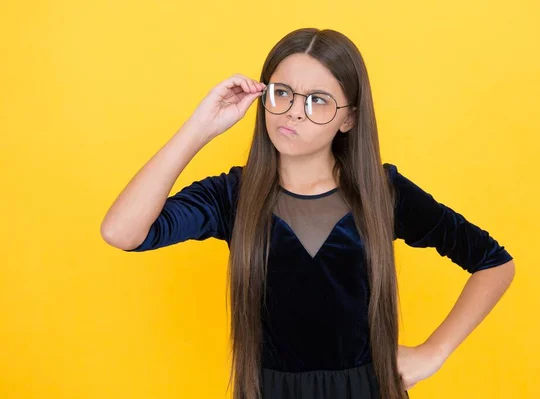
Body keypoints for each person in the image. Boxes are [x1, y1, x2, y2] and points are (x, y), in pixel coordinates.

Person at [101, 28, 514, 399]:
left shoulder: (381, 192)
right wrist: (200, 127)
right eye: (282, 93)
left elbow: (494, 263)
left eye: (319, 101)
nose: (295, 111)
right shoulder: (231, 195)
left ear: (349, 118)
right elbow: (122, 232)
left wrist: (433, 352)